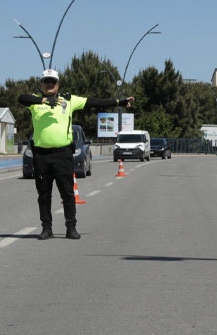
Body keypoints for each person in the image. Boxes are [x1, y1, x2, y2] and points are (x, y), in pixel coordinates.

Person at [18, 69, 134, 240]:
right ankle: (46, 228)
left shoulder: (68, 100)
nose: (49, 84)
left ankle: (71, 227)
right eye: (46, 81)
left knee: (67, 193)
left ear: (58, 84)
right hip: (41, 155)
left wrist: (118, 101)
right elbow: (21, 98)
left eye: (53, 82)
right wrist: (43, 99)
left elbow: (94, 102)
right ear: (41, 84)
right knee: (44, 194)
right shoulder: (35, 102)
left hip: (63, 153)